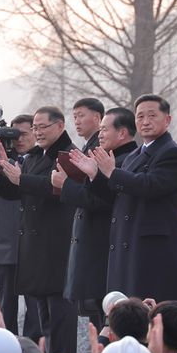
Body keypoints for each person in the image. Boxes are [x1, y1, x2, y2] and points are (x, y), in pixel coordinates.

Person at [0, 106, 77, 353]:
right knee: (44, 315)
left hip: (57, 246)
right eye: (35, 128)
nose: (38, 132)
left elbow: (55, 190)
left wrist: (21, 179)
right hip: (35, 247)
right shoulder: (34, 156)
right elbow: (17, 191)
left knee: (60, 316)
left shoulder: (68, 155)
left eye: (43, 127)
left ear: (60, 126)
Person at [71, 94, 177, 303]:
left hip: (153, 251)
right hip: (127, 244)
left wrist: (112, 172)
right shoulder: (135, 156)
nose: (145, 121)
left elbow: (150, 185)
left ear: (167, 120)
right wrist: (94, 175)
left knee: (154, 313)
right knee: (127, 313)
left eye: (152, 115)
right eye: (140, 116)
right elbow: (114, 196)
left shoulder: (171, 153)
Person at [53, 104, 138, 332]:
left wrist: (67, 185)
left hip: (106, 247)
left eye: (104, 129)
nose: (100, 135)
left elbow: (101, 200)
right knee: (99, 319)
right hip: (97, 248)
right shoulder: (107, 158)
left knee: (110, 319)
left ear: (122, 133)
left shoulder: (125, 160)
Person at [0, 114, 43, 339]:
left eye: (24, 133)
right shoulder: (1, 159)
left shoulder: (42, 161)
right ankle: (7, 348)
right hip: (6, 241)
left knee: (36, 307)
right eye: (15, 135)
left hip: (34, 243)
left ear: (36, 132)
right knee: (6, 305)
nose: (19, 139)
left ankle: (33, 351)